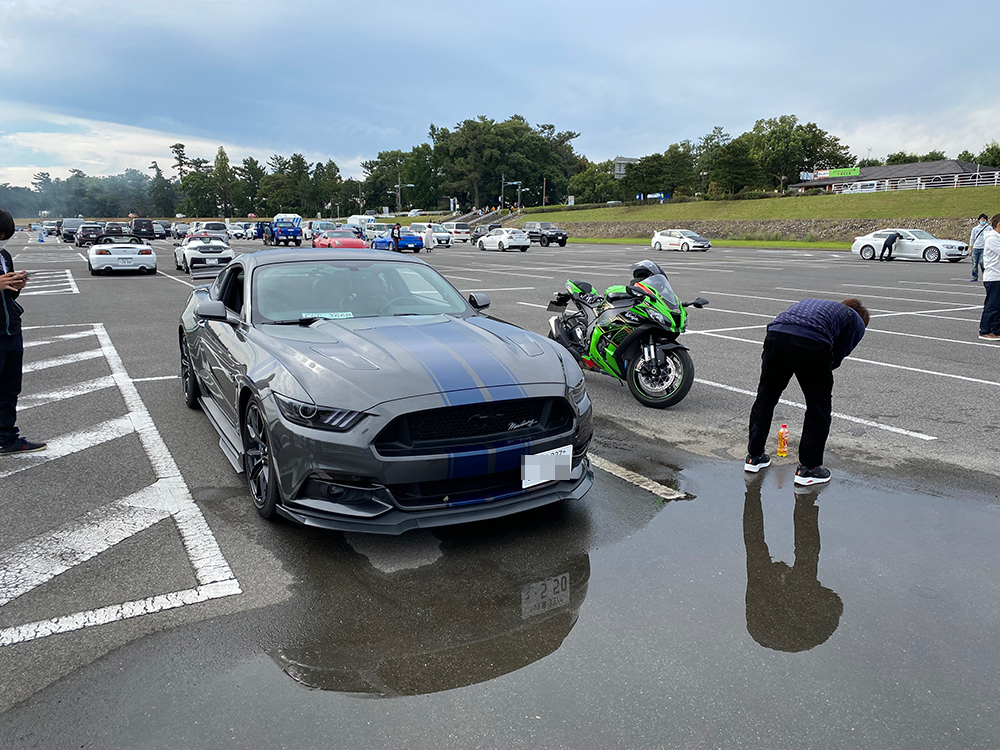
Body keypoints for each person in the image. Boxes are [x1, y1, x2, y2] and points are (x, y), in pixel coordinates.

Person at [745, 297, 870, 485]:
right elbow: (837, 355)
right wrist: (815, 373)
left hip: (776, 334)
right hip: (812, 341)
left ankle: (754, 457)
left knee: (766, 398)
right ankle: (809, 469)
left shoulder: (821, 306)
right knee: (818, 408)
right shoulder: (857, 321)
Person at [743, 478, 842, 652]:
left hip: (773, 620)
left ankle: (804, 502)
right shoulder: (807, 615)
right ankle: (757, 494)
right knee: (756, 547)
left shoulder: (804, 616)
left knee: (806, 559)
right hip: (771, 620)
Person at [0, 208, 46, 454]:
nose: (2, 239)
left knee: (9, 389)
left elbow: (8, 294)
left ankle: (7, 438)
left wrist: (16, 284)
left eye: (4, 234)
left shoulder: (4, 255)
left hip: (11, 330)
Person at [978, 213, 1000, 341]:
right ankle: (986, 330)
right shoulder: (992, 238)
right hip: (994, 277)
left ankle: (996, 330)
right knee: (992, 305)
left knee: (998, 306)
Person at [969, 213, 989, 282]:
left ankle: (985, 276)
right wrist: (970, 249)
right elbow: (972, 239)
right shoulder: (975, 229)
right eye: (981, 219)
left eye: (984, 219)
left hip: (984, 248)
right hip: (976, 247)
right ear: (979, 220)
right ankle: (975, 276)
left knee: (982, 263)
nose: (982, 220)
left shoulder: (988, 228)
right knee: (974, 263)